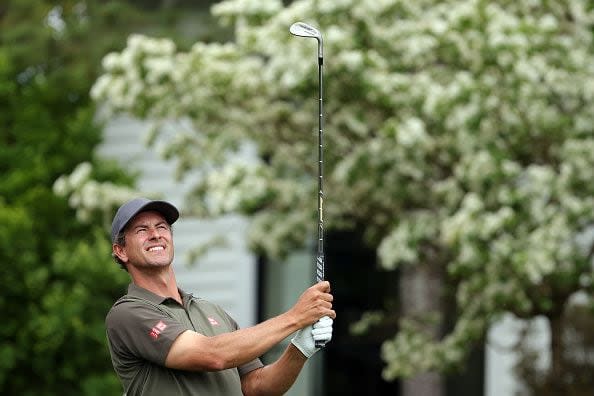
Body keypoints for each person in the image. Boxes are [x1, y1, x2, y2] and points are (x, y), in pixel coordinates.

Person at [105, 197, 335, 396]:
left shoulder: (211, 311)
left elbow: (257, 387)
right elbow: (211, 355)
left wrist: (300, 348)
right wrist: (296, 317)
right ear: (121, 251)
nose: (155, 235)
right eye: (142, 230)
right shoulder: (127, 313)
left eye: (162, 227)